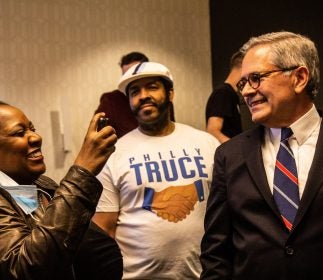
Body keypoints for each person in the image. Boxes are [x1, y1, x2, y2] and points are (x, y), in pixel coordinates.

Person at [200, 31, 323, 280]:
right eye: (243, 83)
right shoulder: (229, 155)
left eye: (256, 78)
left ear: (299, 78)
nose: (246, 92)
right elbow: (216, 251)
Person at [92, 62, 220, 279]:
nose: (143, 96)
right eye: (135, 92)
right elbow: (103, 231)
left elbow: (224, 215)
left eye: (151, 87)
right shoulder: (114, 154)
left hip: (204, 274)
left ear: (170, 94)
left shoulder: (207, 144)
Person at [0, 101, 119, 280]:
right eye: (20, 133)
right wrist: (82, 171)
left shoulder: (43, 185)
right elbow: (24, 269)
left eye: (32, 128)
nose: (36, 137)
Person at [95, 51, 175, 138]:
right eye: (127, 76)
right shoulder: (111, 100)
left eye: (152, 87)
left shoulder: (162, 99)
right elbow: (99, 135)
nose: (143, 96)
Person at [205, 50, 243, 143]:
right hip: (228, 154)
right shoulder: (223, 92)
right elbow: (212, 131)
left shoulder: (230, 93)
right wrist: (237, 149)